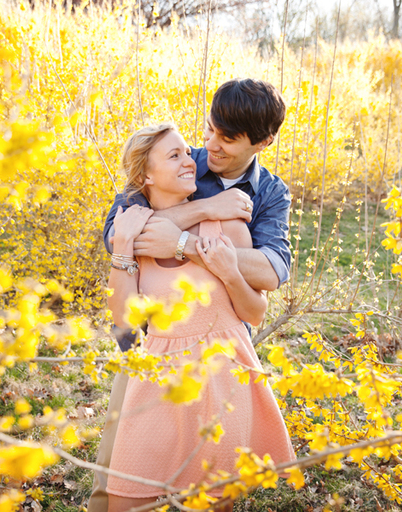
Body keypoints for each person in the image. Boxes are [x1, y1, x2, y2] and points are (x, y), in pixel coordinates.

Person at [89, 78, 293, 512]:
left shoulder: (271, 193)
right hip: (154, 341)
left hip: (220, 352)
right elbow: (119, 235)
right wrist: (204, 209)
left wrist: (184, 246)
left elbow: (272, 271)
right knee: (118, 480)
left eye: (227, 138)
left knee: (208, 485)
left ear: (263, 141)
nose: (210, 146)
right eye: (210, 128)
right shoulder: (181, 160)